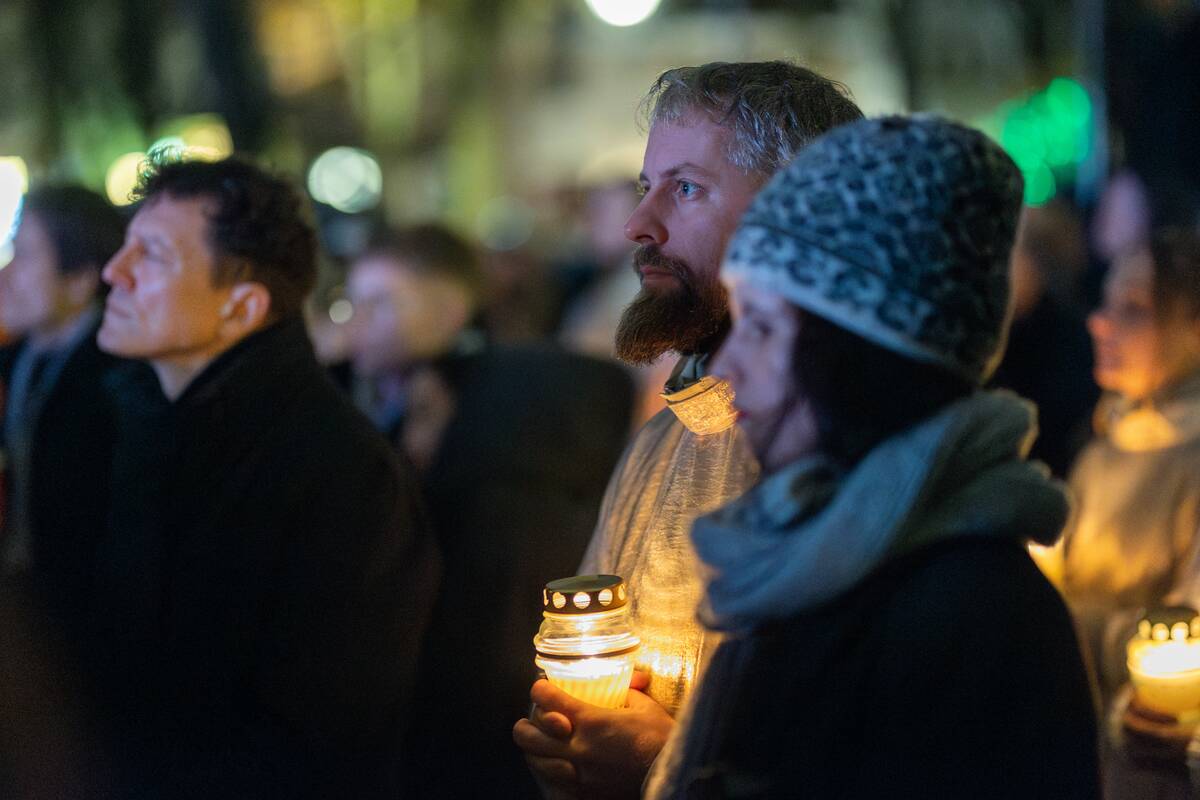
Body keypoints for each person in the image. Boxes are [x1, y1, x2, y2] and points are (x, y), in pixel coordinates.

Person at [647, 115, 1099, 798]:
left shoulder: (974, 625)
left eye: (761, 326)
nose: (728, 365)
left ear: (856, 358)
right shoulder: (809, 562)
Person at [514, 61, 863, 797]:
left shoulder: (868, 459)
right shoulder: (663, 438)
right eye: (648, 187)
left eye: (687, 188)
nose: (639, 225)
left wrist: (665, 768)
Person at [89, 157, 439, 798]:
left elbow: (321, 746)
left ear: (242, 307)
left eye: (153, 255)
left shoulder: (342, 478)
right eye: (125, 245)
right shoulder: (149, 426)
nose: (115, 271)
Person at [346, 224, 634, 798]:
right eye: (352, 304)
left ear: (450, 309)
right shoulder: (383, 399)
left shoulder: (514, 414)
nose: (358, 324)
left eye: (381, 303)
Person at [1046, 228, 1200, 700]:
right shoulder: (1100, 451)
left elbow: (1184, 641)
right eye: (1105, 302)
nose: (1099, 323)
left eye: (1133, 308)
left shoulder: (1191, 461)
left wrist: (1050, 623)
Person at [0, 186, 126, 625]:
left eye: (24, 255)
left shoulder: (117, 382)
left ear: (80, 281)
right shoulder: (19, 358)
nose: (6, 273)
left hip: (83, 620)